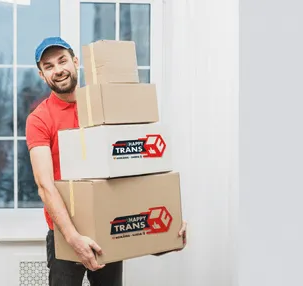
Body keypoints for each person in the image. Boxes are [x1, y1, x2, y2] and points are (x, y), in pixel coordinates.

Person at [25, 36, 187, 286]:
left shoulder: (103, 106)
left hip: (108, 224)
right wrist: (73, 238)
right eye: (49, 66)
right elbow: (45, 185)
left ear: (75, 61)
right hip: (64, 233)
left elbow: (132, 165)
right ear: (41, 74)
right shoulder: (40, 119)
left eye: (62, 61)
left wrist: (166, 229)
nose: (58, 70)